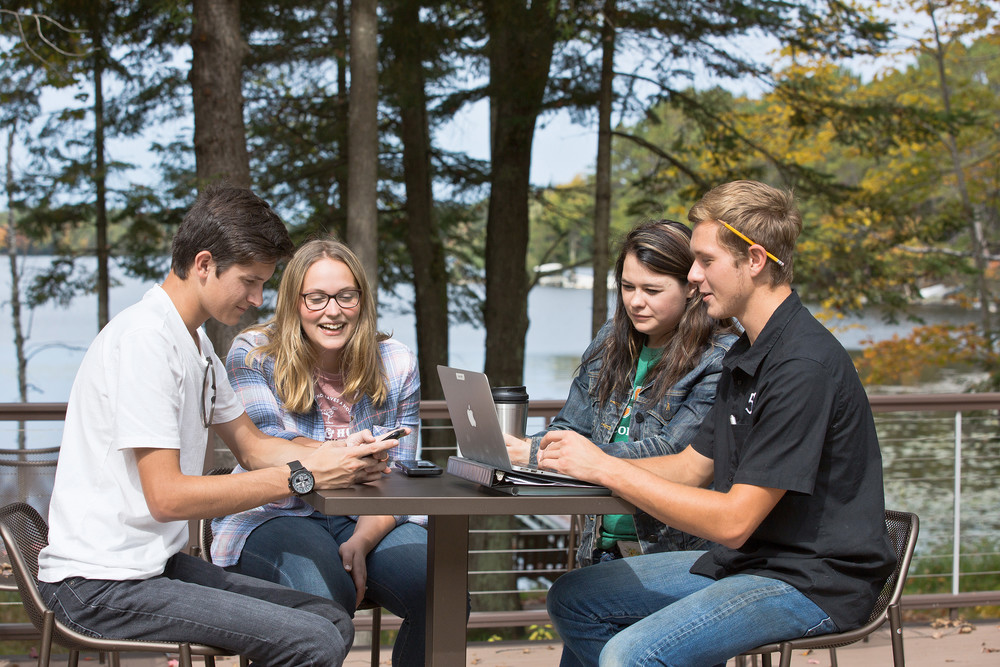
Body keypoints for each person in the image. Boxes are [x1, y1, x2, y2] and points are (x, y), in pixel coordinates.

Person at [36, 185, 400, 666]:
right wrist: (302, 477)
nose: (258, 298)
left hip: (152, 569)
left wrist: (334, 454)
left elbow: (252, 446)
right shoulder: (146, 343)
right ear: (204, 264)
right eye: (250, 282)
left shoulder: (194, 344)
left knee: (330, 619)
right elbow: (167, 498)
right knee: (311, 640)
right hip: (99, 585)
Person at [540, 180, 897, 666]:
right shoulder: (750, 353)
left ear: (753, 260)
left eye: (705, 261)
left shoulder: (801, 367)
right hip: (751, 562)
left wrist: (606, 469)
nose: (693, 276)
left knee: (630, 655)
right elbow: (690, 468)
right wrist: (587, 460)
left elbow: (732, 521)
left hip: (808, 582)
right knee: (574, 597)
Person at [212, 238, 427, 667]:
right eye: (317, 298)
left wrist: (363, 540)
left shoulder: (396, 361)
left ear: (361, 301)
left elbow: (400, 471)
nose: (333, 310)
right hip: (274, 512)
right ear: (294, 302)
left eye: (346, 296)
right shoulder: (254, 353)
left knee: (441, 590)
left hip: (364, 516)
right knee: (324, 604)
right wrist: (345, 449)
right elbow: (267, 446)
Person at [505, 220, 736, 565]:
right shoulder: (611, 339)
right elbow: (570, 426)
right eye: (627, 287)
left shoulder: (719, 358)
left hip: (674, 554)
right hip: (600, 546)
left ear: (690, 287)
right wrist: (516, 451)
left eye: (652, 291)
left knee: (570, 602)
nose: (636, 302)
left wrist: (536, 451)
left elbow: (670, 452)